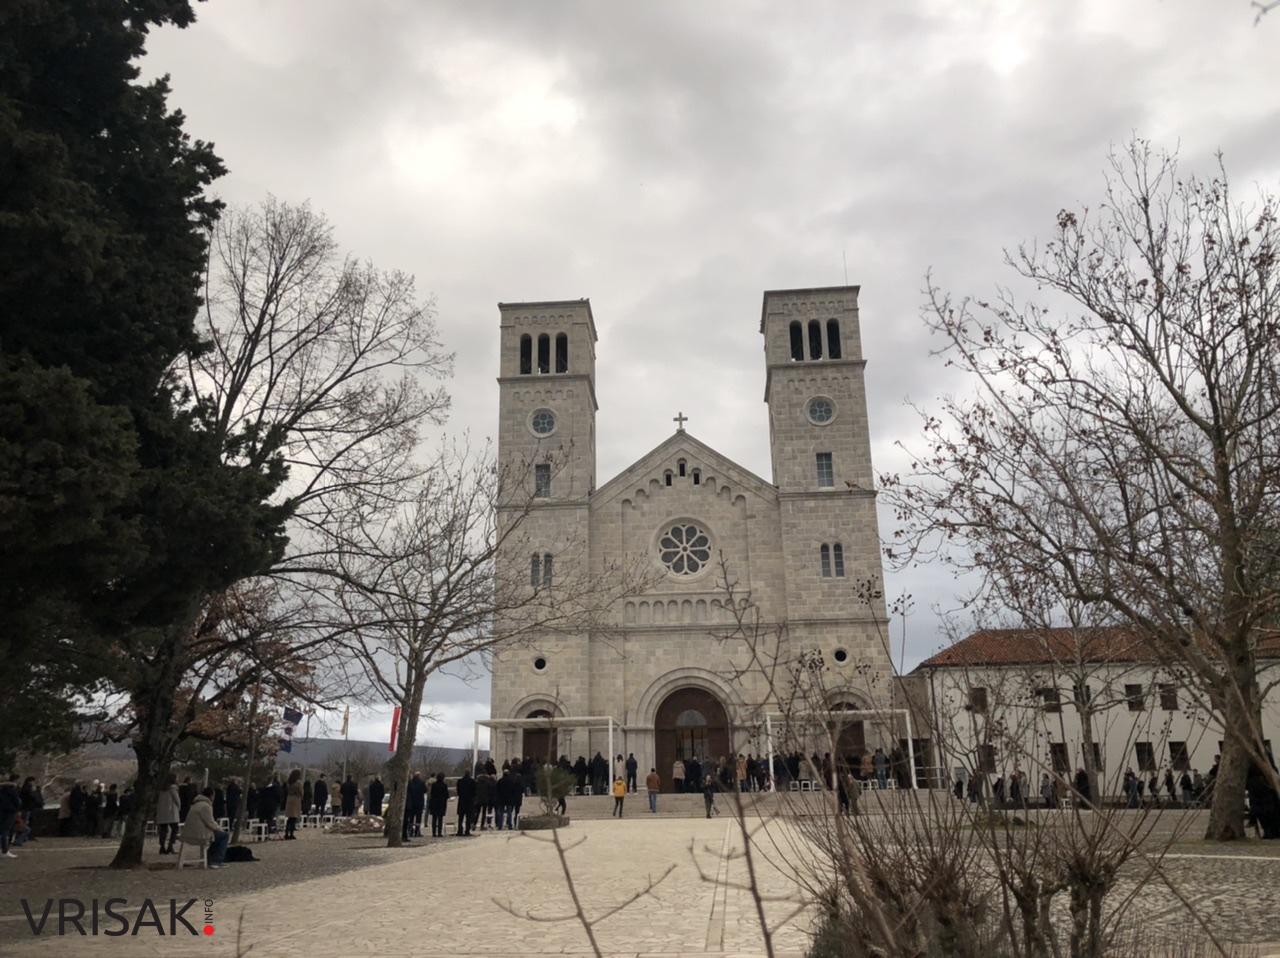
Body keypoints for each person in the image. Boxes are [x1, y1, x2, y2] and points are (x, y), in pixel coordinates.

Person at [180, 787, 230, 868]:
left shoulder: (195, 804)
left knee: (217, 836)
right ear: (211, 796)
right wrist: (221, 829)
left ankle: (210, 859)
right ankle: (216, 860)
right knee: (224, 835)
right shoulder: (206, 806)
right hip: (199, 835)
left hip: (188, 833)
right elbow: (210, 823)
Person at [155, 774, 180, 854]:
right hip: (171, 811)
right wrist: (179, 807)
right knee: (175, 829)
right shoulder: (173, 789)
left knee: (163, 830)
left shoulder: (162, 789)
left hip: (162, 812)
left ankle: (162, 846)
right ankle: (170, 845)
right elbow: (177, 800)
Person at [0, 773, 20, 858]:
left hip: (1, 812)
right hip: (10, 812)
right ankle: (4, 850)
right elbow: (17, 802)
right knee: (5, 831)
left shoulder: (1, 790)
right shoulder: (12, 790)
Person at [404, 772, 426, 840]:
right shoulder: (422, 783)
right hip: (419, 803)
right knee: (418, 819)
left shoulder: (410, 783)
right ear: (419, 776)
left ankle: (410, 831)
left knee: (411, 819)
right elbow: (425, 790)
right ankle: (417, 831)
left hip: (412, 803)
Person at [428, 772, 450, 838]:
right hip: (441, 803)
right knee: (440, 819)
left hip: (434, 803)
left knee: (434, 819)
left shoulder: (434, 785)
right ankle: (439, 833)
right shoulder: (444, 785)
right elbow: (447, 795)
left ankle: (434, 832)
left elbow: (431, 794)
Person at [284, 769, 303, 839]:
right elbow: (301, 792)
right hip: (296, 799)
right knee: (294, 818)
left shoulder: (289, 782)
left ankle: (286, 833)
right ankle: (291, 833)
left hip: (289, 799)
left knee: (289, 818)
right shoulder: (298, 783)